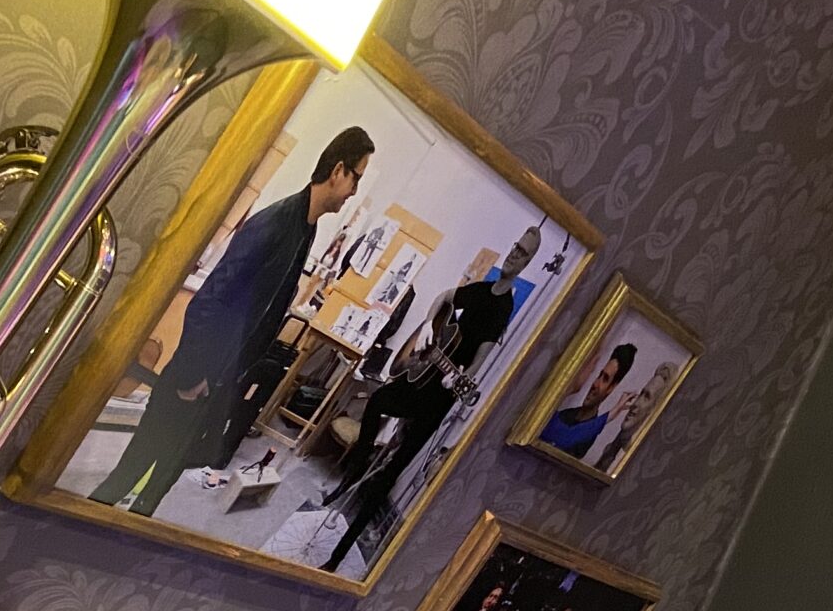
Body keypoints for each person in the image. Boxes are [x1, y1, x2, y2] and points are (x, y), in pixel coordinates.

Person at [89, 125, 375, 514]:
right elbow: (208, 301)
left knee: (160, 483)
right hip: (194, 378)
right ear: (338, 170)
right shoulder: (275, 222)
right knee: (129, 474)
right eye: (356, 177)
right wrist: (192, 377)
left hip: (218, 380)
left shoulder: (306, 229)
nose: (355, 190)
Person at [316, 225, 545, 574]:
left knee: (392, 472)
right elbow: (444, 298)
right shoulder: (480, 289)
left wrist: (461, 377)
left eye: (523, 253)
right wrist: (427, 325)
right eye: (515, 247)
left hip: (439, 397)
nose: (515, 254)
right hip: (419, 378)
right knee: (376, 402)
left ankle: (338, 555)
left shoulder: (503, 308)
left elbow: (480, 358)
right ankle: (350, 478)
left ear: (528, 262)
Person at [537, 340, 637, 457]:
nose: (595, 383)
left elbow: (564, 438)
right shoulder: (565, 415)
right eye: (598, 375)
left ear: (611, 388)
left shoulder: (586, 436)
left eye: (605, 379)